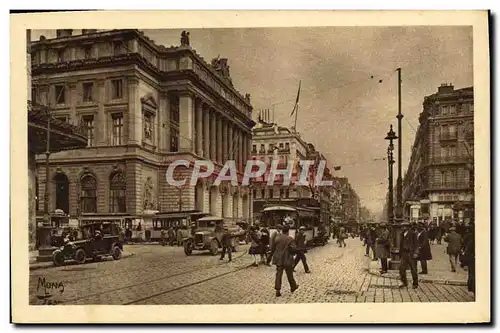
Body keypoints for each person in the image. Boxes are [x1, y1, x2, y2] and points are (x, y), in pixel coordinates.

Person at [269, 225, 298, 297]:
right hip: (287, 258)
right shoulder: (290, 239)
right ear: (288, 231)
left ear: (282, 231)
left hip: (279, 259)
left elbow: (272, 248)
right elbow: (294, 249)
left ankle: (277, 290)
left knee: (278, 274)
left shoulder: (277, 238)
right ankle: (293, 287)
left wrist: (270, 257)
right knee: (289, 274)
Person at [398, 222, 419, 289]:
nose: (402, 228)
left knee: (413, 269)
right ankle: (404, 282)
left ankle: (415, 283)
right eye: (402, 227)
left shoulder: (413, 233)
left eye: (404, 227)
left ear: (407, 227)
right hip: (404, 253)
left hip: (411, 253)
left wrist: (416, 253)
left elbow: (416, 244)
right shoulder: (402, 234)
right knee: (401, 268)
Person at [462, 222, 475, 294]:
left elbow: (467, 250)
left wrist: (464, 263)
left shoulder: (471, 239)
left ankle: (473, 289)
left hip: (472, 259)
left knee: (472, 275)